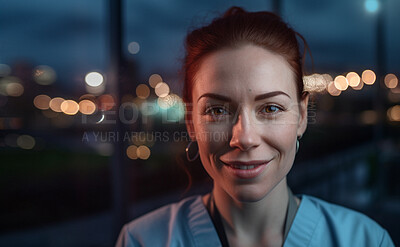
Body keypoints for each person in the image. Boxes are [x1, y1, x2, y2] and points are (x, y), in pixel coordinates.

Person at [116, 6, 395, 247]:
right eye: (217, 110)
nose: (245, 137)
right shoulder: (141, 241)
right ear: (191, 122)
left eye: (271, 109)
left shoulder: (365, 240)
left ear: (300, 116)